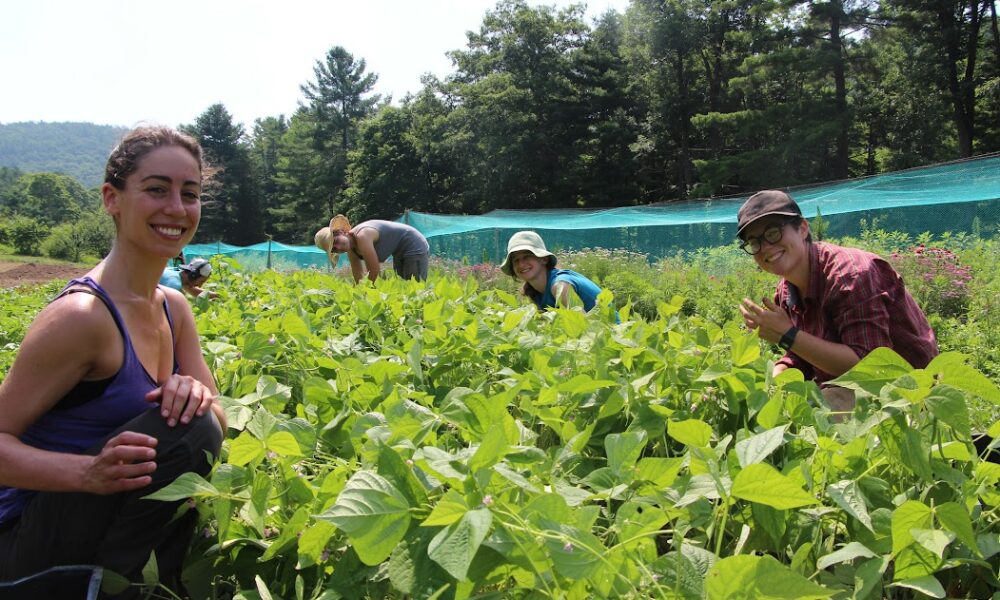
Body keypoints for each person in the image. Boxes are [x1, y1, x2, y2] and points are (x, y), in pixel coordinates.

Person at [0, 126, 226, 597]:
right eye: (156, 190)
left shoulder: (174, 308)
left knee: (196, 423)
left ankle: (137, 581)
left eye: (190, 194)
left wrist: (197, 393)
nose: (177, 209)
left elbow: (216, 418)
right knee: (188, 429)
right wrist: (85, 473)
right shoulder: (83, 317)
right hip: (26, 539)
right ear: (112, 198)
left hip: (100, 521)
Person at [736, 190, 938, 418]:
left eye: (773, 233)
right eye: (754, 242)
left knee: (820, 412)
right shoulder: (785, 292)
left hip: (909, 390)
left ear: (802, 229)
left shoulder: (851, 276)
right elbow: (803, 354)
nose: (765, 247)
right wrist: (776, 377)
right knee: (768, 410)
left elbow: (869, 365)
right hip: (845, 386)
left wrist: (787, 334)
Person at [500, 230, 607, 313]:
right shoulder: (535, 292)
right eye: (516, 260)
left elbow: (580, 324)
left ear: (544, 259)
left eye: (527, 256)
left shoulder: (560, 286)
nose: (521, 264)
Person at [314, 215, 430, 283]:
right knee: (404, 284)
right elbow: (359, 277)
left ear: (341, 232)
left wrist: (370, 295)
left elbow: (374, 272)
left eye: (336, 241)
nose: (339, 247)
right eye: (334, 249)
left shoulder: (363, 236)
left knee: (415, 285)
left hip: (413, 244)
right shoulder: (351, 248)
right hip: (399, 251)